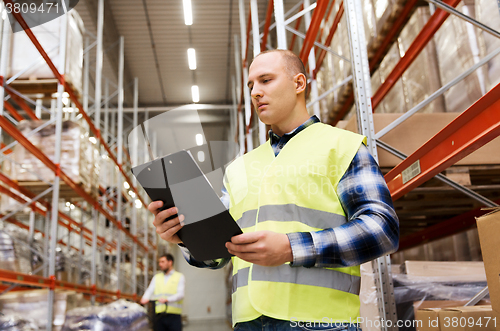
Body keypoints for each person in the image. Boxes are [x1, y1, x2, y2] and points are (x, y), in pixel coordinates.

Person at [149, 49, 399, 330]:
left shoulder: (341, 147)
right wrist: (185, 236)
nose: (255, 92)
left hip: (320, 322)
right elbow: (217, 255)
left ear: (299, 83)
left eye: (266, 80)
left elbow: (382, 229)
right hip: (248, 322)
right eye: (251, 85)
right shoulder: (238, 168)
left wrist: (292, 248)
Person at [140, 253, 185, 331]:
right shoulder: (157, 277)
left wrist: (167, 299)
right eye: (159, 262)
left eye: (162, 262)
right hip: (159, 316)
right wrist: (144, 298)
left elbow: (180, 294)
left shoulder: (179, 276)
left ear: (170, 262)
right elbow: (150, 290)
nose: (160, 264)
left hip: (174, 316)